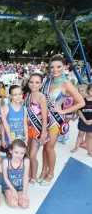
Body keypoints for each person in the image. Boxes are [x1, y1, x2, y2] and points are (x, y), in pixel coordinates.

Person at [39, 54, 84, 186]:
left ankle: (50, 173)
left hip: (55, 120)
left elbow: (81, 102)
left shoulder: (66, 84)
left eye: (58, 66)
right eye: (52, 67)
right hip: (43, 119)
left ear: (65, 66)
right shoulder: (48, 81)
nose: (55, 69)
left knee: (50, 147)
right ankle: (43, 170)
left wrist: (63, 111)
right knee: (44, 146)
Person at [25, 73, 48, 187]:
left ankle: (33, 178)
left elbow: (45, 118)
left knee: (33, 155)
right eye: (31, 82)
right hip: (27, 130)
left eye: (37, 82)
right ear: (28, 82)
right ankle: (29, 174)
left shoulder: (41, 97)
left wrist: (43, 135)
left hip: (37, 130)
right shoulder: (28, 95)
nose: (34, 84)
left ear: (41, 84)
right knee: (28, 154)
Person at [2, 139, 30, 209]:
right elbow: (5, 178)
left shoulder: (26, 161)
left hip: (20, 186)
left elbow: (26, 177)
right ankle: (6, 194)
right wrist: (13, 190)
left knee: (25, 205)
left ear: (25, 152)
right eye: (16, 152)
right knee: (13, 204)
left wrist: (24, 193)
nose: (19, 155)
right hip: (8, 186)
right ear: (11, 151)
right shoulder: (5, 162)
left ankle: (18, 194)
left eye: (22, 153)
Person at [1, 85, 28, 152]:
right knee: (9, 158)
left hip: (20, 139)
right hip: (9, 139)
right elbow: (3, 125)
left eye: (20, 94)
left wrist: (26, 139)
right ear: (10, 96)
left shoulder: (24, 109)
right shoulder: (6, 108)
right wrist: (3, 140)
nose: (18, 97)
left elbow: (25, 125)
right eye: (15, 95)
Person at [72, 83, 92, 156]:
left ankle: (89, 151)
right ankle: (76, 147)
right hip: (83, 121)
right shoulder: (83, 100)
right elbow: (79, 111)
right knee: (80, 134)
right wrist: (85, 120)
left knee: (90, 136)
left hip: (91, 122)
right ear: (88, 91)